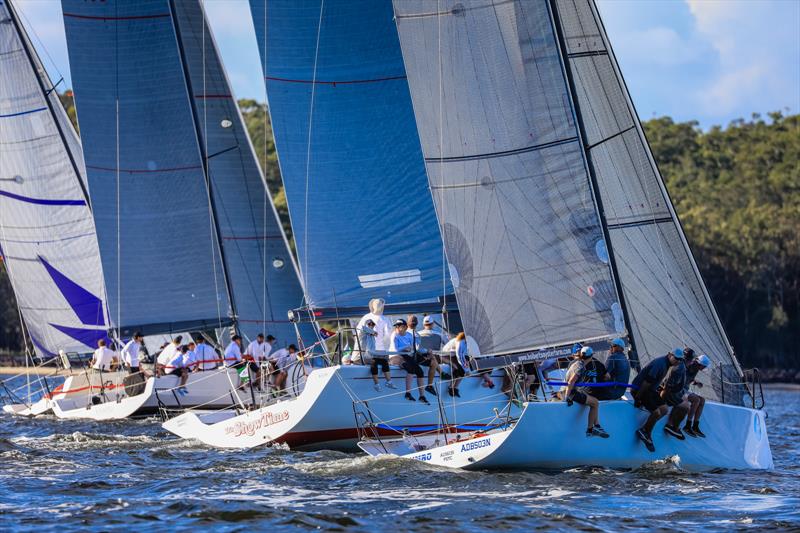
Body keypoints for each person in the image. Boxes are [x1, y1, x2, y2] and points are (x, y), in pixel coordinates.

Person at [632, 348, 687, 452]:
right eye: (676, 358)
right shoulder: (660, 363)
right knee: (657, 412)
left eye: (680, 360)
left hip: (650, 391)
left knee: (665, 409)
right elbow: (647, 382)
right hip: (641, 390)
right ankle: (645, 432)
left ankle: (645, 430)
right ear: (670, 354)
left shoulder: (668, 364)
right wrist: (638, 397)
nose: (678, 361)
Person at [563, 346, 609, 438]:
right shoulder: (580, 366)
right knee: (595, 403)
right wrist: (567, 397)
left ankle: (596, 426)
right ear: (591, 356)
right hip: (573, 393)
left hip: (573, 391)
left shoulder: (578, 363)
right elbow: (571, 382)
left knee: (594, 401)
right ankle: (590, 429)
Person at [389, 319, 429, 404]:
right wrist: (405, 348)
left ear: (405, 327)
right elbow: (396, 350)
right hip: (395, 356)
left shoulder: (409, 335)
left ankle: (422, 396)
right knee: (410, 368)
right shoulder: (394, 335)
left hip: (407, 355)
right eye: (396, 326)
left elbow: (412, 347)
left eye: (399, 325)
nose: (397, 327)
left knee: (420, 371)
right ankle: (408, 393)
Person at [407, 314, 443, 397]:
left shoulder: (413, 333)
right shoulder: (416, 334)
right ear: (433, 323)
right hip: (413, 358)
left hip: (409, 356)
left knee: (432, 358)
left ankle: (441, 375)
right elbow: (417, 348)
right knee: (433, 361)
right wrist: (428, 351)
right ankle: (431, 383)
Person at [359, 319, 395, 391]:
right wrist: (374, 332)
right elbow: (364, 328)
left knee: (384, 361)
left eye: (373, 324)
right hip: (365, 356)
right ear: (366, 325)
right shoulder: (363, 332)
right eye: (369, 324)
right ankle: (376, 384)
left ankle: (389, 382)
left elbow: (375, 334)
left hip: (372, 355)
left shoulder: (372, 335)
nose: (371, 326)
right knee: (374, 362)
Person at [683, 353, 711, 437]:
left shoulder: (696, 368)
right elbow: (683, 379)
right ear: (700, 364)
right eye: (704, 366)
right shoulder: (688, 366)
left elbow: (689, 379)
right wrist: (694, 382)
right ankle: (688, 425)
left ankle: (695, 425)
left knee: (702, 400)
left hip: (685, 389)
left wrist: (696, 382)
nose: (704, 368)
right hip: (680, 389)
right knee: (696, 400)